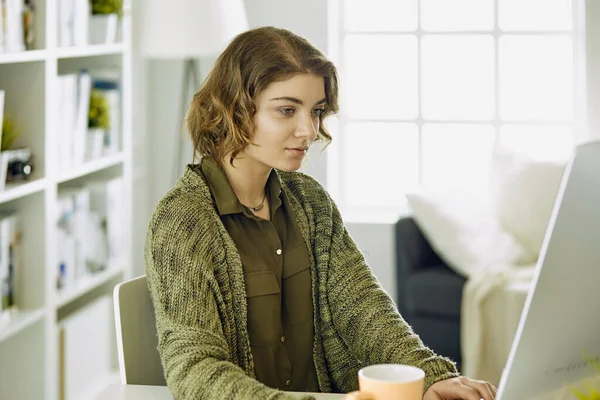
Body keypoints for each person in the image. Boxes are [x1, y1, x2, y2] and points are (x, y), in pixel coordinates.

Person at [145, 26, 496, 400]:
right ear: (234, 107)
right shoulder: (182, 221)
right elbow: (195, 371)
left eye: (316, 111)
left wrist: (429, 376)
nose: (309, 130)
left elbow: (363, 307)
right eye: (286, 110)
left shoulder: (309, 201)